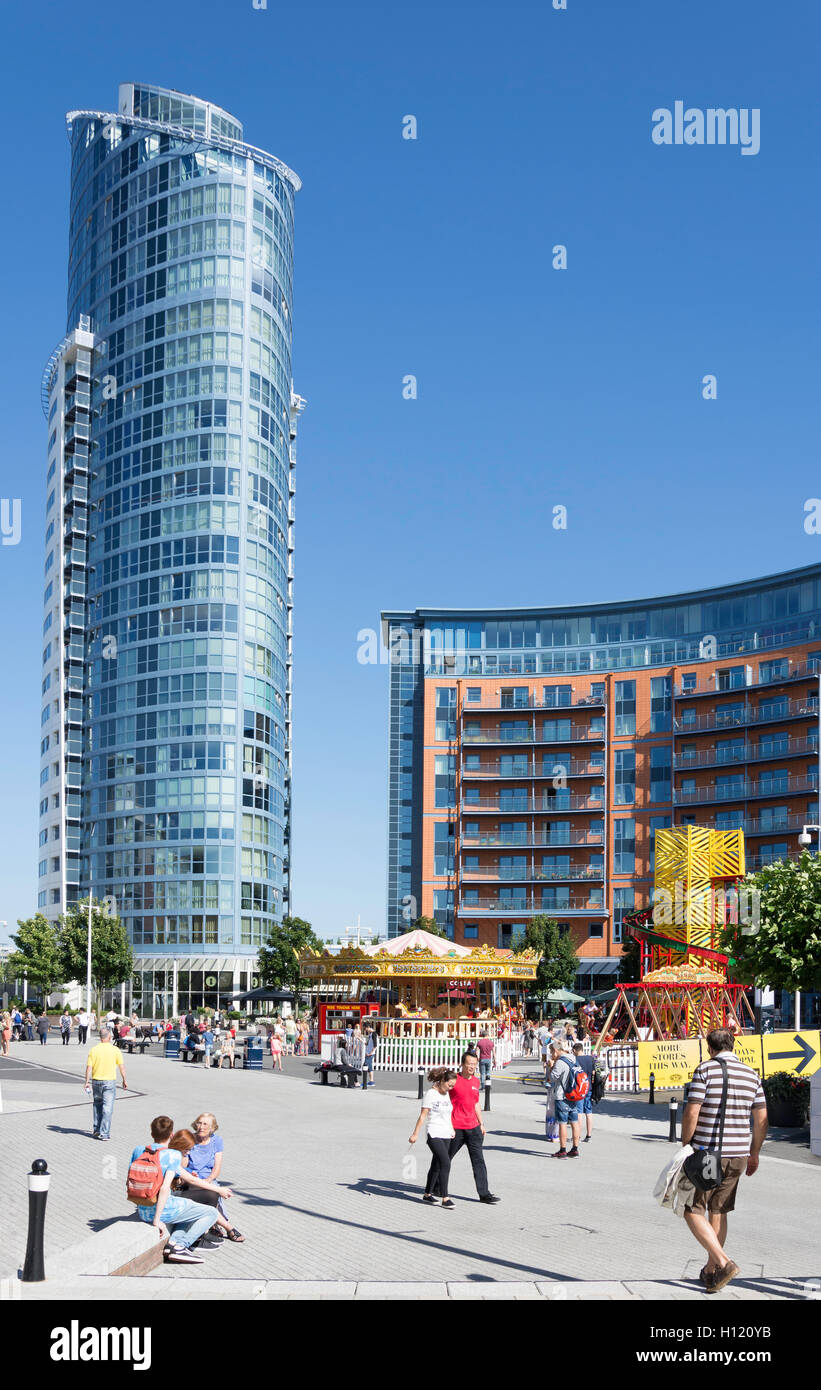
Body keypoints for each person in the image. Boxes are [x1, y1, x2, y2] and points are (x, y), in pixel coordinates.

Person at [680, 1027, 768, 1294]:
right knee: (719, 1210)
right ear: (733, 1045)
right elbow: (762, 1119)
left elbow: (692, 1110)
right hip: (739, 1153)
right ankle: (712, 1271)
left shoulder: (705, 1070)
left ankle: (723, 1262)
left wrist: (686, 1143)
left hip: (708, 1154)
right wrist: (755, 1152)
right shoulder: (752, 1074)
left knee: (692, 1209)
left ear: (710, 1048)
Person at [127, 1115, 229, 1265]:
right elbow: (167, 1187)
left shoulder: (139, 1150)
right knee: (211, 1213)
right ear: (171, 1134)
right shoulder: (172, 1154)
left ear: (151, 1132)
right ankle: (182, 1245)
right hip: (163, 1210)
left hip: (143, 1210)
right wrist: (157, 1219)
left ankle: (173, 1244)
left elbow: (130, 1180)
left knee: (189, 1211)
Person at [167, 1127, 244, 1244]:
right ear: (180, 1145)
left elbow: (181, 1177)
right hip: (171, 1197)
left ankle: (207, 1231)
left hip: (175, 1191)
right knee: (210, 1196)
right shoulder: (173, 1156)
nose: (188, 1152)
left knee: (208, 1194)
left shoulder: (177, 1154)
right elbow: (187, 1180)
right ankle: (203, 1235)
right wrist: (218, 1189)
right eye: (187, 1149)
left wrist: (187, 1174)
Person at [446, 1052, 501, 1204]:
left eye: (474, 1064)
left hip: (473, 1127)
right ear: (462, 1064)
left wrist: (481, 1123)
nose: (472, 1067)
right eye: (469, 1063)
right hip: (456, 1127)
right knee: (445, 1158)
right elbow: (442, 1096)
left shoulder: (476, 1082)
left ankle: (484, 1194)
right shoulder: (454, 1080)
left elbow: (476, 1103)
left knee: (479, 1161)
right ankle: (436, 1186)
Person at [409, 1067, 458, 1207]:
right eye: (449, 1085)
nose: (450, 1088)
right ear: (442, 1081)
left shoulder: (446, 1094)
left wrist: (451, 1129)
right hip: (434, 1133)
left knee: (436, 1164)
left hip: (446, 1133)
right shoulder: (431, 1094)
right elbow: (423, 1115)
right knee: (445, 1162)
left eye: (453, 1086)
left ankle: (427, 1194)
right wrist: (415, 1134)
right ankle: (445, 1197)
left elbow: (448, 1114)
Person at [84, 1025, 128, 1140]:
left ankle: (97, 1129)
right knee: (107, 1108)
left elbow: (89, 1067)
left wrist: (86, 1081)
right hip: (109, 1082)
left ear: (100, 1037)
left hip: (96, 1081)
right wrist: (124, 1079)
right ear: (109, 1037)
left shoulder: (94, 1050)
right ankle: (104, 1133)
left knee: (97, 1105)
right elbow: (121, 1067)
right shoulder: (115, 1050)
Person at [548, 1042, 580, 1158]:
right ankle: (575, 1149)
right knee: (574, 1122)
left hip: (562, 1096)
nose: (551, 1054)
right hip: (574, 1095)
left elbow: (551, 1078)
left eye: (551, 1052)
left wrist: (551, 1066)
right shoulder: (573, 1058)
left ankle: (563, 1150)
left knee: (562, 1123)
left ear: (556, 1051)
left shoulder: (560, 1062)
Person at [573, 1042, 596, 1143]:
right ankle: (589, 1136)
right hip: (588, 1087)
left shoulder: (575, 1060)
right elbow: (594, 1072)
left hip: (579, 1088)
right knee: (589, 1112)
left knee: (579, 1112)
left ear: (574, 1050)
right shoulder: (590, 1059)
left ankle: (577, 1135)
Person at [363, 1023, 377, 1087]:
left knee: (366, 1066)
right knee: (368, 1066)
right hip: (368, 1053)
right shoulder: (371, 1034)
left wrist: (371, 1053)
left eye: (365, 1028)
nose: (365, 1030)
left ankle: (369, 1081)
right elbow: (367, 1044)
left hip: (370, 1054)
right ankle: (371, 1081)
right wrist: (360, 1039)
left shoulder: (374, 1034)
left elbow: (375, 1045)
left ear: (368, 1027)